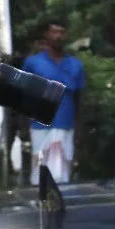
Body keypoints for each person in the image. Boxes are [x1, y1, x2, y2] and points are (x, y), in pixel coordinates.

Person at [22, 19, 85, 184]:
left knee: (63, 173)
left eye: (61, 32)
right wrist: (23, 127)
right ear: (46, 35)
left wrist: (79, 129)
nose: (58, 36)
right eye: (54, 32)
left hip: (66, 125)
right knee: (40, 173)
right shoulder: (33, 63)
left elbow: (79, 99)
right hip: (40, 125)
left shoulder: (75, 64)